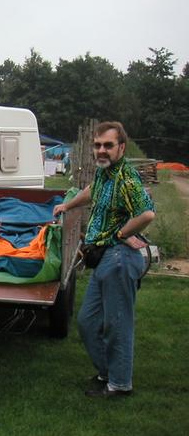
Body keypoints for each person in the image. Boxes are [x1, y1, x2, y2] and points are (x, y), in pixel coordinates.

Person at [53, 121, 155, 398]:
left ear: (121, 147)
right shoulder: (104, 175)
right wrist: (67, 205)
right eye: (98, 145)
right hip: (105, 259)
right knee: (87, 322)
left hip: (119, 259)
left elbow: (146, 214)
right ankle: (107, 372)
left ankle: (120, 384)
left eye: (108, 145)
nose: (101, 150)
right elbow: (90, 191)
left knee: (117, 324)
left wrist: (121, 234)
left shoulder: (126, 178)